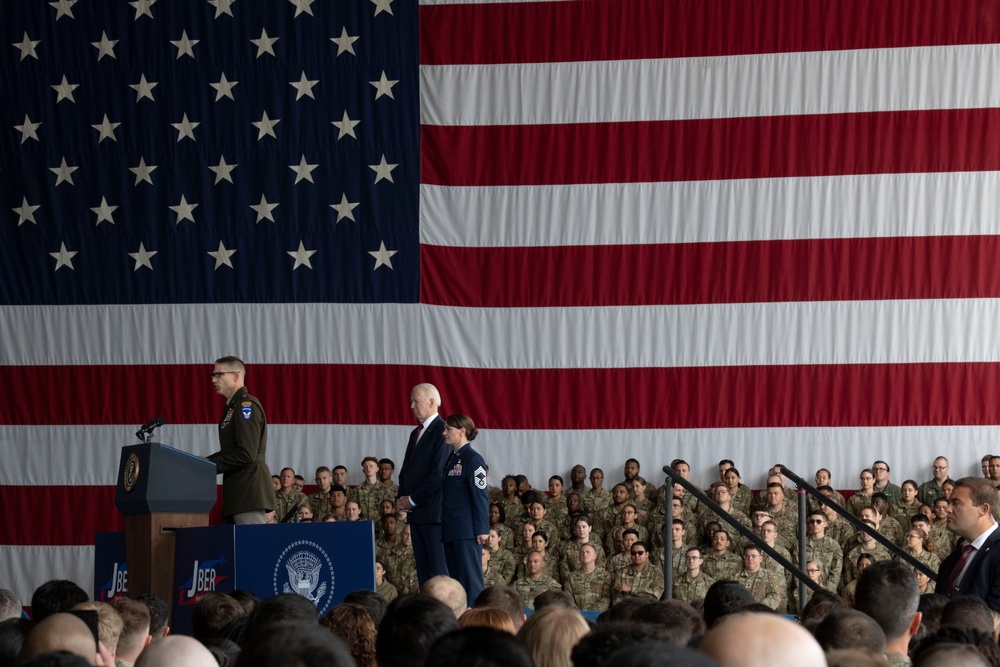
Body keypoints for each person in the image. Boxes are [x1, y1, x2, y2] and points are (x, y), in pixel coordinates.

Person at [205, 356, 273, 524]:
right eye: (213, 375)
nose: (214, 379)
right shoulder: (233, 406)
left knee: (250, 548)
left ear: (235, 376)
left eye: (219, 375)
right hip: (239, 493)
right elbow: (232, 450)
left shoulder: (245, 406)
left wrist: (211, 466)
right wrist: (206, 462)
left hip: (248, 492)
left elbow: (246, 453)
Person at [396, 383, 450, 585]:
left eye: (415, 401)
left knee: (438, 574)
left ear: (432, 402)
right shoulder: (415, 433)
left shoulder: (443, 431)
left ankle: (444, 615)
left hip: (433, 515)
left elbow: (437, 474)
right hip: (416, 514)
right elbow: (406, 471)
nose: (411, 406)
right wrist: (401, 499)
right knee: (424, 575)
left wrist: (412, 499)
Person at [439, 414, 490, 606]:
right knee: (456, 582)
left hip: (468, 530)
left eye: (448, 429)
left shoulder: (473, 459)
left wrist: (482, 528)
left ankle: (477, 620)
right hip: (452, 528)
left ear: (462, 431)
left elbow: (480, 495)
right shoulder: (452, 458)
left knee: (471, 580)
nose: (444, 433)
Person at [937, 476, 1000, 613]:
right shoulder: (952, 560)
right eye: (949, 502)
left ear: (983, 509)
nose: (947, 509)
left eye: (956, 503)